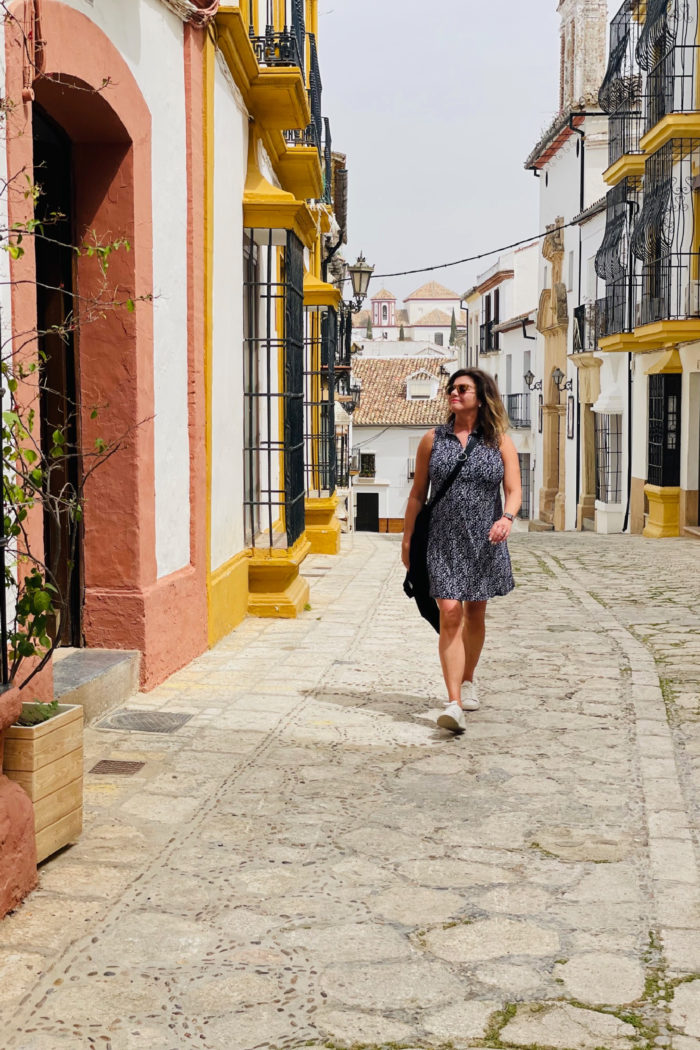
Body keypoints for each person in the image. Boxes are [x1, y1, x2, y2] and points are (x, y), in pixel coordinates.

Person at [401, 368, 521, 734]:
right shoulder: (432, 440)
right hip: (442, 539)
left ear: (481, 397)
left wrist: (507, 518)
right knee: (450, 612)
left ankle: (468, 679)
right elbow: (417, 494)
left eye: (463, 388)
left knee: (476, 611)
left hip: (485, 539)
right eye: (452, 388)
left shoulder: (499, 441)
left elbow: (514, 489)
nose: (454, 393)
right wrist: (407, 541)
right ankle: (453, 702)